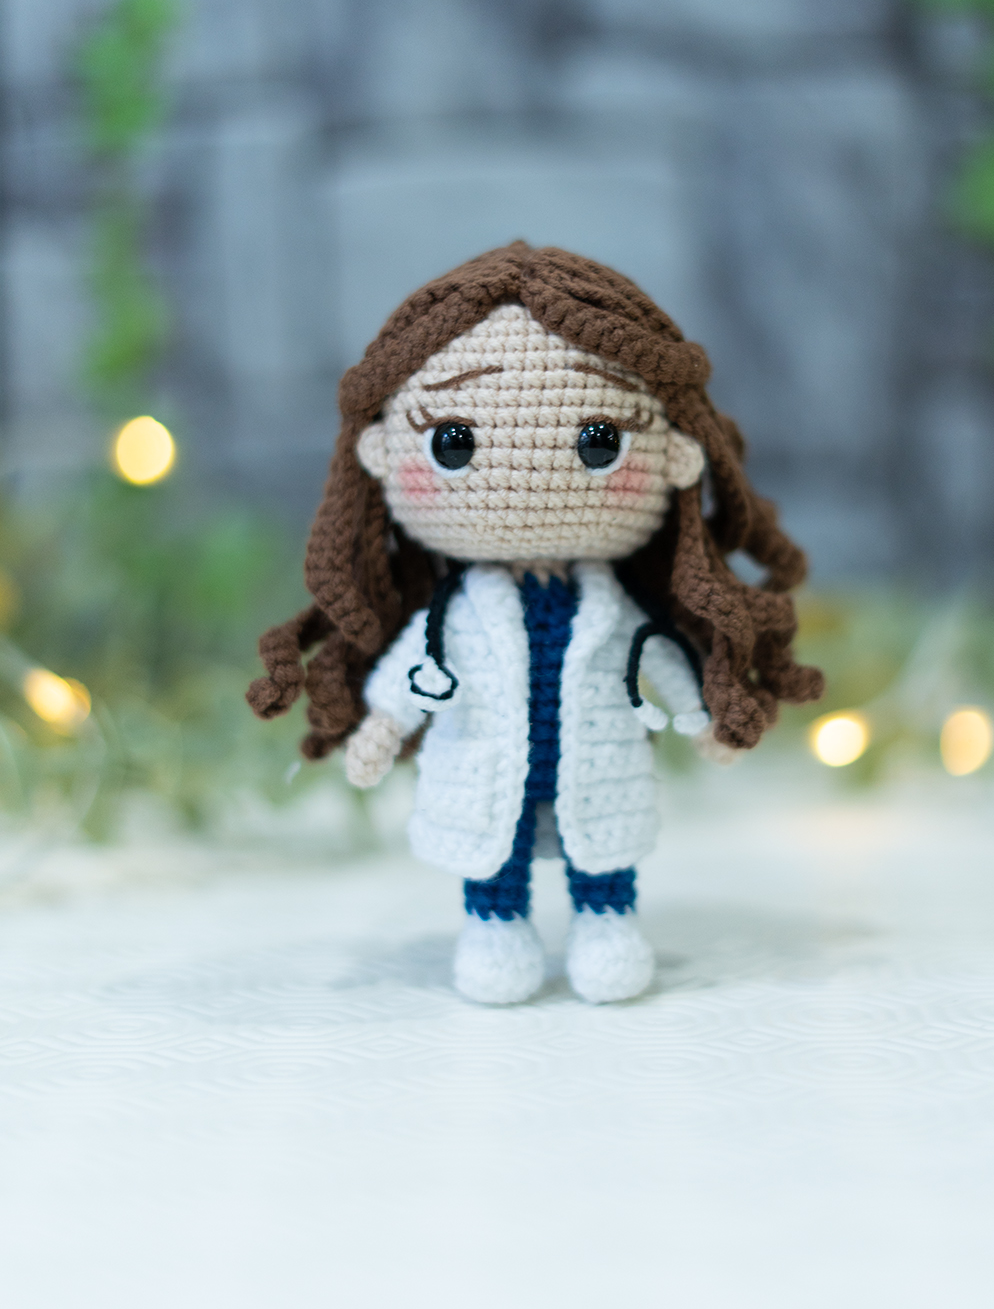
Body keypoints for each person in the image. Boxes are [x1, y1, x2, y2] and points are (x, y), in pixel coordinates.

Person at [248, 243, 822, 1005]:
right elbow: (416, 667)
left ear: (678, 459)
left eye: (598, 441)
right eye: (454, 442)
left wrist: (702, 715)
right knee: (495, 855)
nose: (528, 476)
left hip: (594, 764)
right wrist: (384, 723)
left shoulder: (616, 607)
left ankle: (607, 924)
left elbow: (660, 656)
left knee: (602, 850)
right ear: (381, 454)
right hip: (490, 766)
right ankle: (496, 928)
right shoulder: (453, 615)